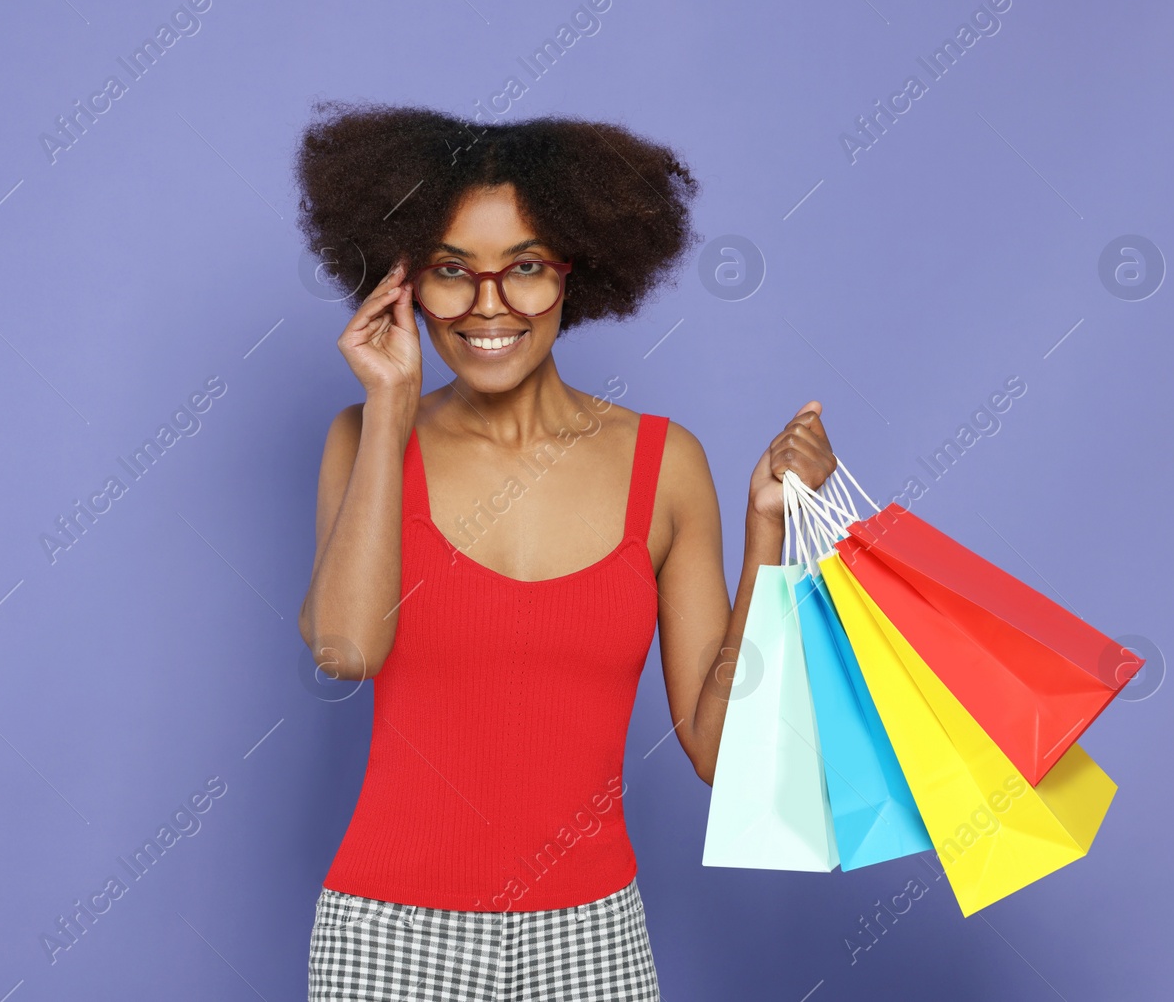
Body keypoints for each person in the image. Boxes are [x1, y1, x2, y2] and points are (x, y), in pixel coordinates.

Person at [296, 102, 837, 1001]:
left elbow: (720, 748)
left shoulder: (665, 465)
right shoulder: (363, 439)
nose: (488, 306)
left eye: (526, 269)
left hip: (591, 937)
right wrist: (391, 401)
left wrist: (767, 531)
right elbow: (346, 648)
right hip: (389, 935)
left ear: (575, 273)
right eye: (451, 272)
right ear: (404, 284)